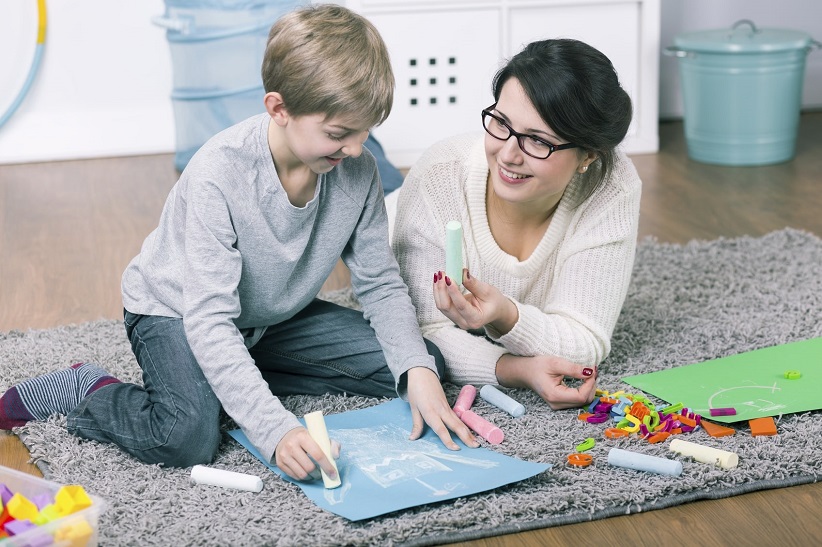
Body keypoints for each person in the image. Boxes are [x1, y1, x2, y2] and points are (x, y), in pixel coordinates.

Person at [0, 4, 477, 481]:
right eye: (339, 134)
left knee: (419, 365)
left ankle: (229, 379)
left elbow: (380, 284)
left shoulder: (358, 169)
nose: (356, 148)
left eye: (365, 130)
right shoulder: (219, 173)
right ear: (279, 108)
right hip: (179, 312)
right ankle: (88, 389)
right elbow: (208, 319)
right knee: (187, 435)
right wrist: (275, 429)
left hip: (268, 319)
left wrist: (419, 373)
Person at [391, 38, 641, 410]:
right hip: (394, 208)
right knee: (365, 171)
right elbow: (424, 331)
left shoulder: (611, 186)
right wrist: (515, 368)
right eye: (501, 124)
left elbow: (585, 341)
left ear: (588, 155)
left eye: (538, 141)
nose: (508, 155)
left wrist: (507, 316)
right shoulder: (439, 178)